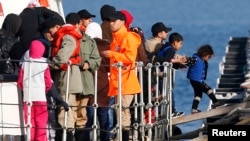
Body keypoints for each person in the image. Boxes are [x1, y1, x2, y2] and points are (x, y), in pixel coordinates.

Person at [103, 11, 141, 141]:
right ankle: (122, 137)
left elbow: (130, 58)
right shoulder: (117, 38)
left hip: (126, 81)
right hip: (118, 82)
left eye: (114, 21)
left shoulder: (128, 37)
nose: (111, 24)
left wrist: (112, 54)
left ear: (122, 22)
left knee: (123, 112)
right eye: (110, 21)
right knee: (120, 112)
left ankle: (124, 138)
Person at [50, 13, 83, 141]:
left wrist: (51, 64)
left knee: (65, 113)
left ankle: (67, 138)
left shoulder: (68, 37)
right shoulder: (71, 35)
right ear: (77, 24)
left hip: (66, 79)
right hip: (68, 78)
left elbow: (62, 57)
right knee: (69, 112)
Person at [17, 40, 52, 141]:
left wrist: (25, 89)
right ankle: (40, 139)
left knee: (29, 120)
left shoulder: (24, 63)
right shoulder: (44, 63)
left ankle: (30, 138)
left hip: (27, 96)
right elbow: (48, 82)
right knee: (41, 120)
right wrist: (45, 89)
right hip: (40, 95)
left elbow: (20, 81)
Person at [74, 16, 102, 140]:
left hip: (84, 83)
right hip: (70, 83)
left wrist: (89, 63)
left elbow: (97, 59)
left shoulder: (89, 42)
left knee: (81, 114)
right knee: (69, 114)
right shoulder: (67, 39)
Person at [84, 21, 111, 141]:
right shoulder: (107, 47)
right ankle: (105, 138)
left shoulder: (86, 46)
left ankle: (86, 138)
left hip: (89, 82)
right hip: (104, 83)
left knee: (88, 115)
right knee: (103, 113)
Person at [155, 32, 186, 117]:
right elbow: (167, 60)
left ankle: (162, 112)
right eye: (180, 43)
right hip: (162, 75)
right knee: (168, 93)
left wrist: (179, 65)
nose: (181, 46)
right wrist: (178, 61)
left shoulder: (166, 47)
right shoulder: (170, 49)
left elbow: (168, 60)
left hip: (159, 74)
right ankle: (171, 111)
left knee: (163, 93)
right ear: (175, 42)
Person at [187, 44, 222, 114]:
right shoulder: (195, 59)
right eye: (208, 57)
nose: (209, 59)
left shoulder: (203, 61)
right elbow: (188, 61)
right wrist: (183, 62)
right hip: (196, 81)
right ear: (204, 54)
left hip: (195, 81)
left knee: (198, 95)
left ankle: (194, 109)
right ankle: (216, 103)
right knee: (208, 90)